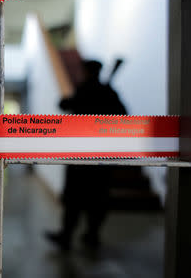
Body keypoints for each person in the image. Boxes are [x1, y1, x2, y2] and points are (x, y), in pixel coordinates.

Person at [45, 60, 127, 251]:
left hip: (81, 154)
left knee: (74, 198)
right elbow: (123, 114)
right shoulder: (108, 92)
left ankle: (68, 236)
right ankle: (91, 235)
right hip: (102, 155)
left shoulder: (85, 90)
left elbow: (64, 104)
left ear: (86, 72)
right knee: (98, 198)